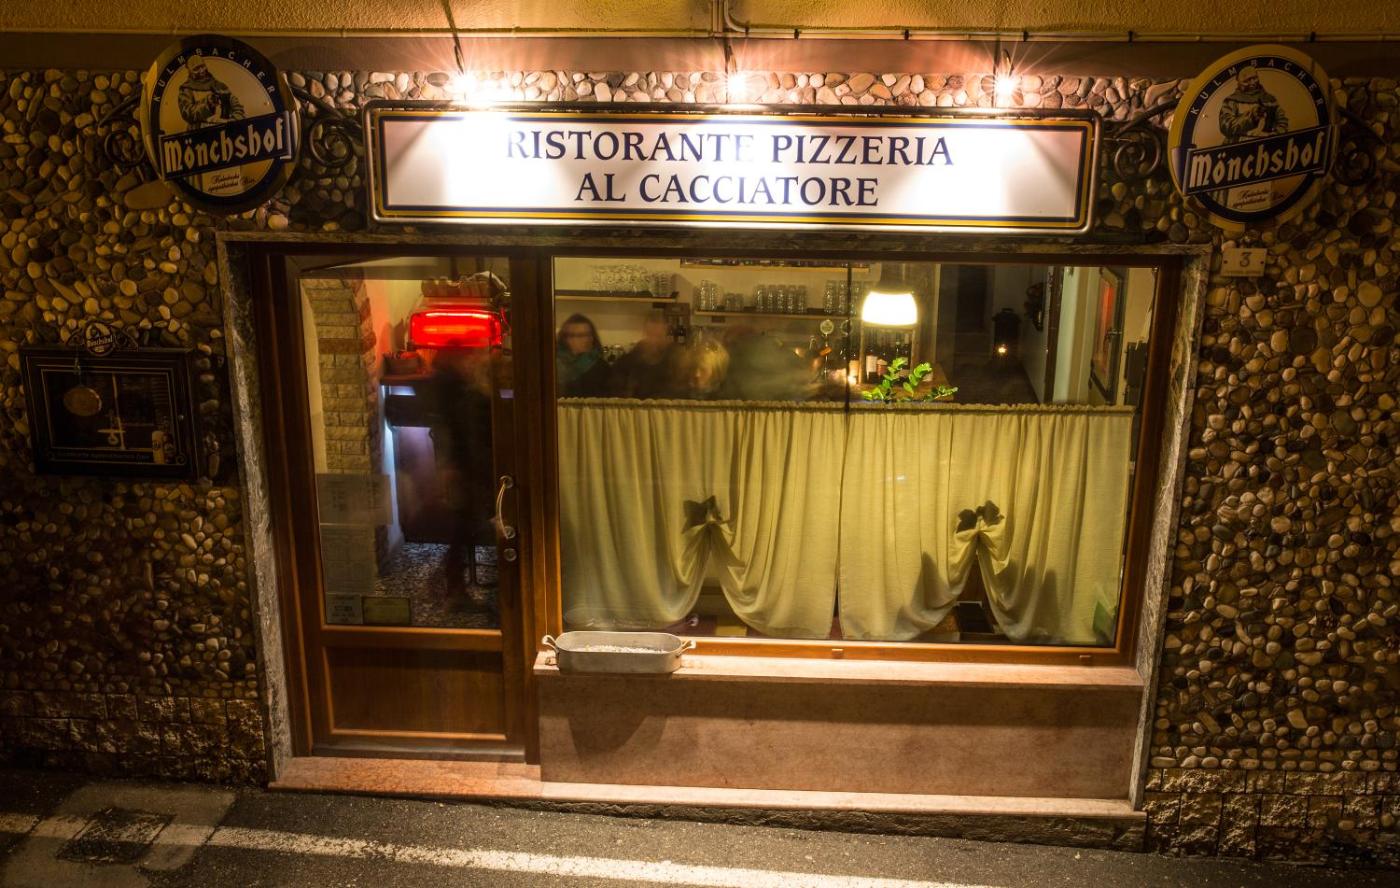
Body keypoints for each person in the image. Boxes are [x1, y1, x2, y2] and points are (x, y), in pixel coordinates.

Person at [611, 311, 677, 398]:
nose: (654, 340)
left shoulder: (676, 360)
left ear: (666, 334)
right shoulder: (629, 360)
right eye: (651, 335)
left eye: (658, 336)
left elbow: (682, 391)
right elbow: (616, 389)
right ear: (645, 333)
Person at [1218, 65, 1287, 144]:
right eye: (1247, 81)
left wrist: (1274, 135)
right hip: (1238, 146)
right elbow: (1226, 127)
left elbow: (1282, 122)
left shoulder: (1270, 99)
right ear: (1239, 83)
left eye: (1254, 78)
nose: (1252, 83)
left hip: (1266, 146)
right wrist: (1251, 117)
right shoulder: (1231, 101)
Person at [177, 56, 244, 127]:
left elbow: (236, 106)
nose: (201, 71)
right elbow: (187, 114)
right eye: (196, 69)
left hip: (224, 130)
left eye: (202, 66)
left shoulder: (219, 85)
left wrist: (234, 120)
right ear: (190, 71)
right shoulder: (186, 89)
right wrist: (207, 103)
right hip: (200, 131)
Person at [555, 314, 612, 397]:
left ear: (592, 338)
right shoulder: (553, 365)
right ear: (564, 338)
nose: (575, 340)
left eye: (583, 335)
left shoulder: (602, 368)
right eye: (571, 335)